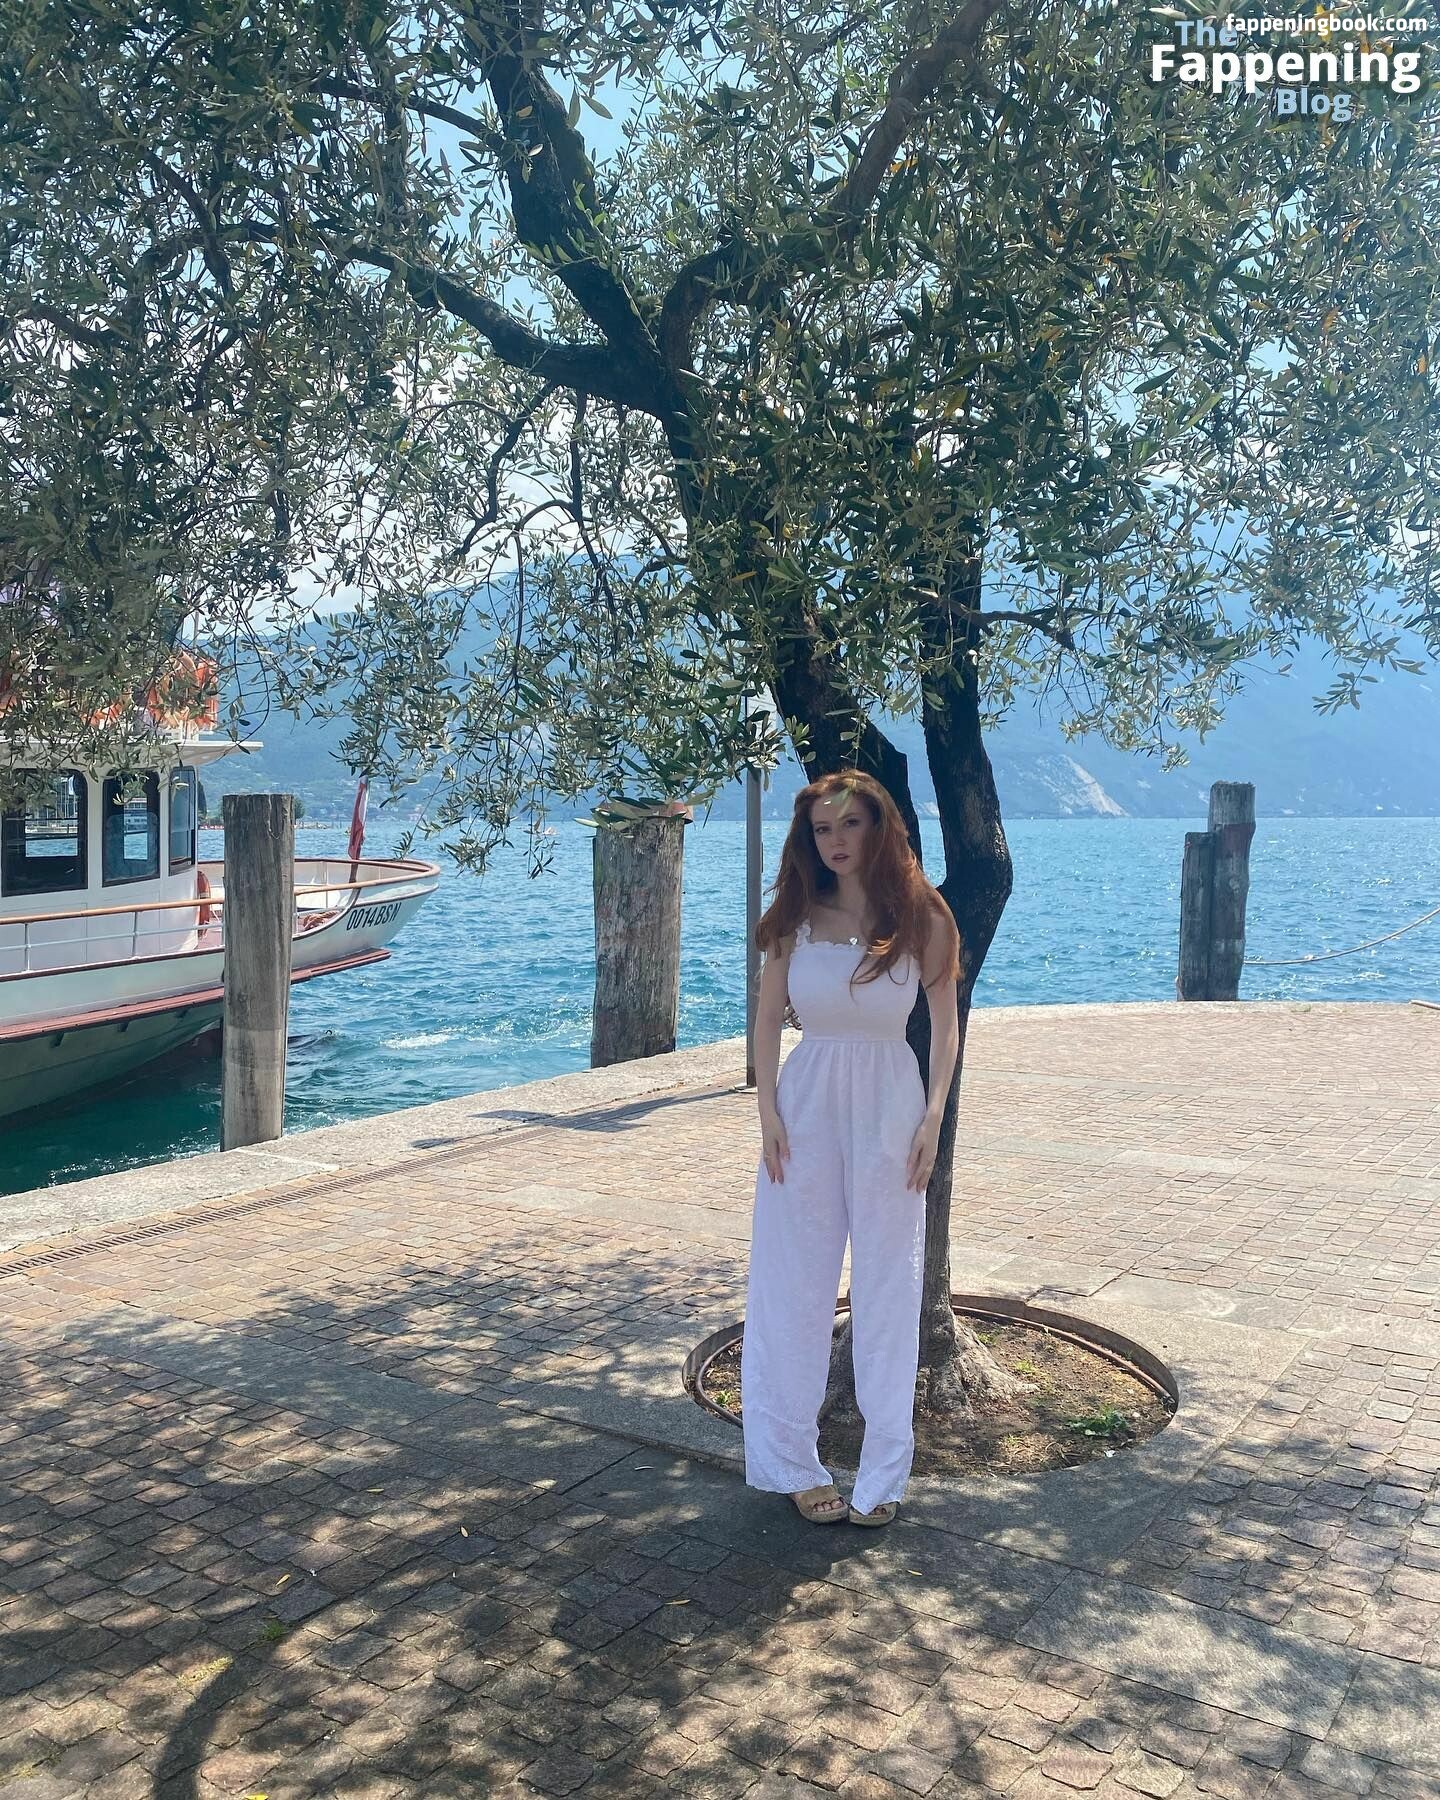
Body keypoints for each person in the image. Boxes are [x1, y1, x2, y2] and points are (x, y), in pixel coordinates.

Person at [742, 769, 962, 1528]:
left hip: (892, 1104)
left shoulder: (923, 916)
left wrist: (932, 1117)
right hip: (804, 1105)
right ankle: (790, 1462)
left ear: (880, 827)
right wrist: (768, 1112)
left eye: (850, 824)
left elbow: (944, 1022)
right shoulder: (794, 917)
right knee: (792, 1283)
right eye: (822, 829)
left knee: (889, 1285)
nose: (835, 840)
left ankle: (884, 1474)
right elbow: (767, 1018)